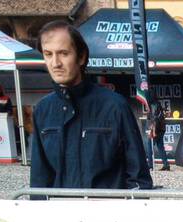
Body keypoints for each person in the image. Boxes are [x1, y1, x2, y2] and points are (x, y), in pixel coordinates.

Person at [29, 19, 152, 191]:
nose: (55, 63)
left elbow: (138, 177)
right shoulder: (42, 110)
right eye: (48, 54)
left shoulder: (114, 106)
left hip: (108, 215)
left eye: (64, 53)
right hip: (60, 214)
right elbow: (39, 179)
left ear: (81, 57)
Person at [148, 105, 170, 172]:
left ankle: (150, 166)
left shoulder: (152, 107)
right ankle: (166, 165)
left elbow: (154, 121)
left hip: (156, 131)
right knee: (161, 148)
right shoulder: (159, 109)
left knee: (149, 148)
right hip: (161, 130)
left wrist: (153, 132)